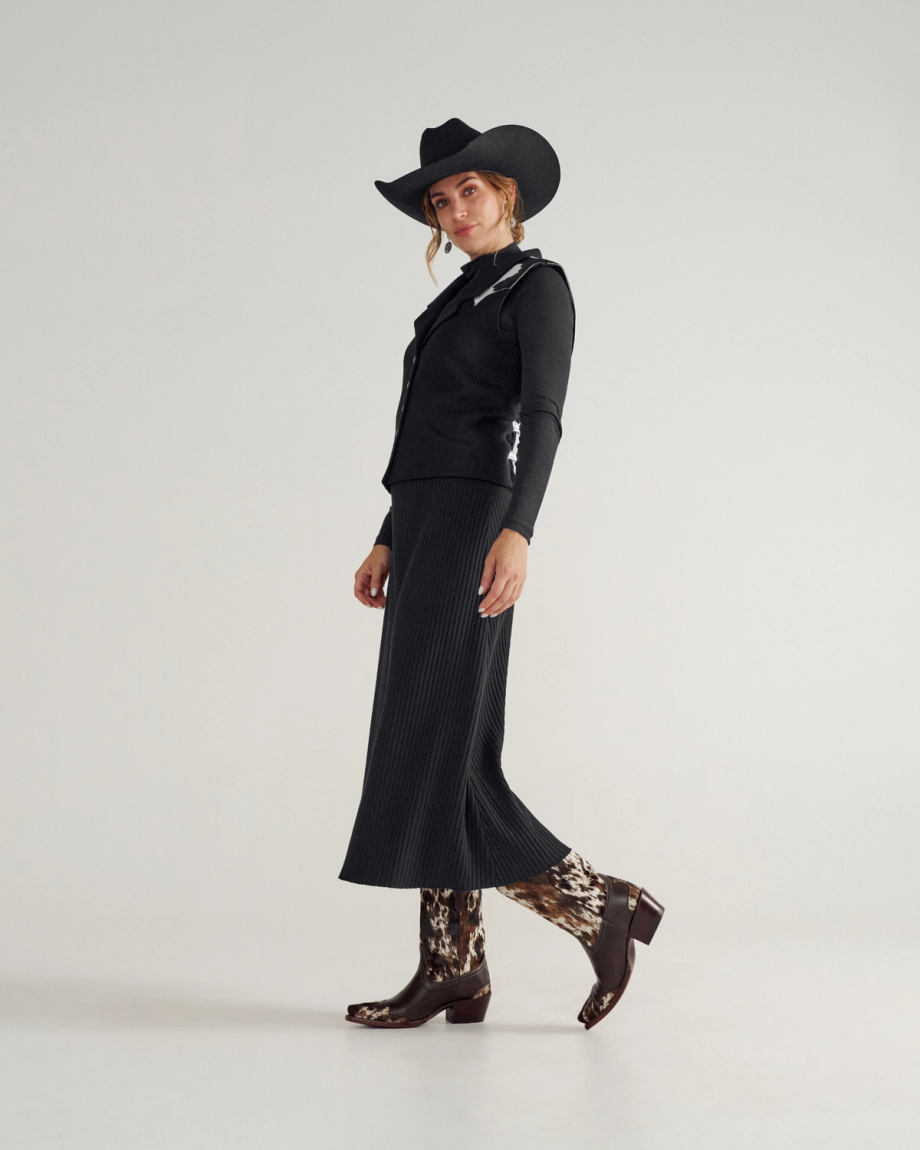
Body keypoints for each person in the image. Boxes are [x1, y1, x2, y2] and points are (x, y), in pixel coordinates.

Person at [339, 118, 664, 1030]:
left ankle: (596, 904)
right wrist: (389, 533)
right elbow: (426, 428)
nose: (455, 210)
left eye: (469, 191)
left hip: (477, 522)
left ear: (507, 195)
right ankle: (455, 966)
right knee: (430, 744)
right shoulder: (458, 299)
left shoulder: (537, 287)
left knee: (445, 746)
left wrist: (519, 530)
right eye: (440, 201)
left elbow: (544, 416)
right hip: (424, 524)